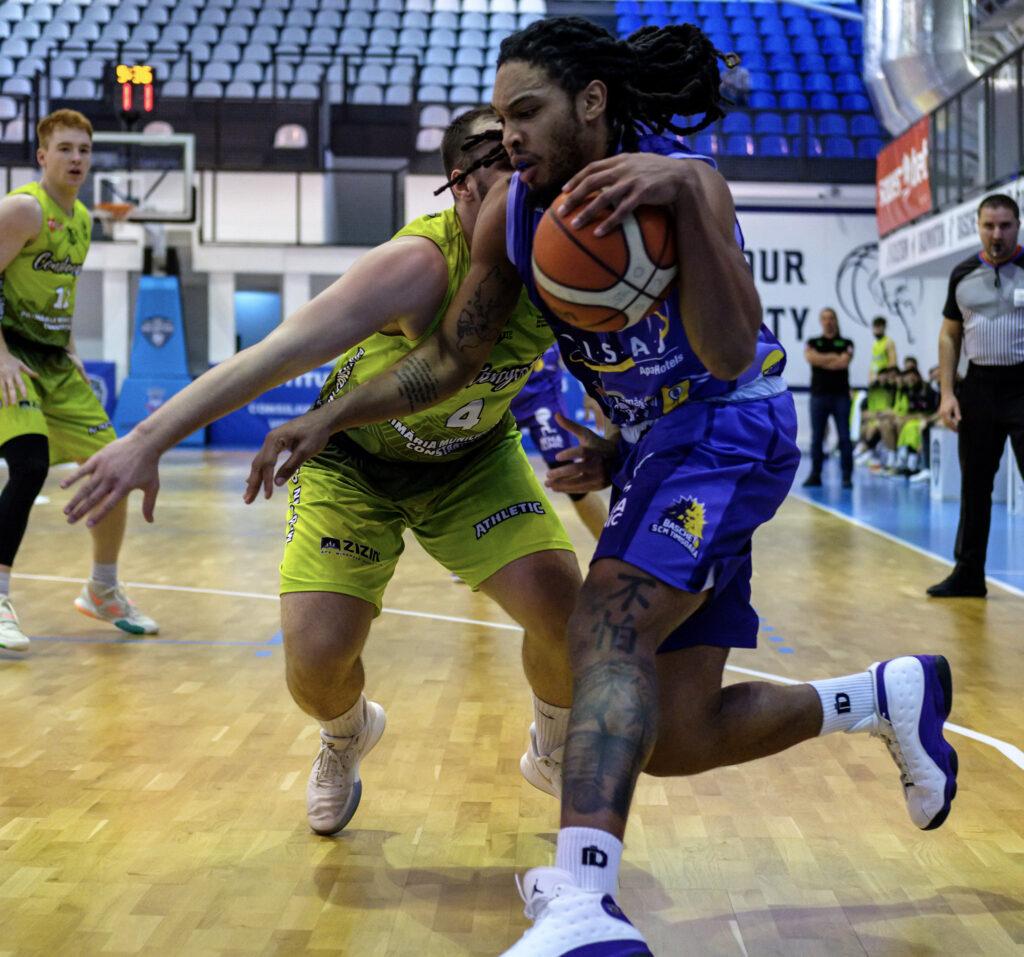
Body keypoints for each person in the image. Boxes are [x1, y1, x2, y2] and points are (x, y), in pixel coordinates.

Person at [234, 19, 959, 954]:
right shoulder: (517, 210)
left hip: (730, 429)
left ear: (591, 101)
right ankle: (882, 697)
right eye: (499, 119)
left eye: (526, 112)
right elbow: (452, 357)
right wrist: (331, 416)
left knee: (603, 623)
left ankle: (583, 901)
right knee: (675, 735)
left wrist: (690, 198)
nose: (509, 135)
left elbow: (726, 356)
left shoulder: (683, 184)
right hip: (659, 446)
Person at [61, 108, 581, 834]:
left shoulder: (558, 253)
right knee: (315, 662)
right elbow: (278, 352)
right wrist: (146, 438)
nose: (526, 183)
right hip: (352, 464)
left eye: (532, 165)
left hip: (471, 462)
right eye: (505, 168)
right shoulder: (419, 264)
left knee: (568, 614)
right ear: (461, 185)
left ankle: (552, 746)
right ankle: (345, 733)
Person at [0, 109, 158, 652]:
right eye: (65, 149)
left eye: (84, 150)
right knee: (28, 465)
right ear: (42, 156)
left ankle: (103, 591)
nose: (76, 159)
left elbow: (57, 296)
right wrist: (1, 357)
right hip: (9, 356)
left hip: (54, 361)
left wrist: (72, 353)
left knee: (114, 470)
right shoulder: (23, 210)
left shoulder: (84, 219)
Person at [928, 193, 1024, 599]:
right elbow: (950, 336)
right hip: (979, 387)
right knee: (975, 486)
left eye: (1004, 225)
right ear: (978, 227)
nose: (996, 233)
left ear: (1017, 226)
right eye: (989, 225)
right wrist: (948, 394)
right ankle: (968, 574)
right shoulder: (963, 273)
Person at [511, 344, 607, 538]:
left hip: (541, 392)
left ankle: (613, 547)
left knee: (572, 478)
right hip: (495, 393)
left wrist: (591, 390)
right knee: (483, 478)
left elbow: (576, 334)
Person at [802, 306, 854, 488]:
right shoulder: (813, 342)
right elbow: (811, 358)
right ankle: (815, 474)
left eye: (831, 317)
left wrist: (822, 359)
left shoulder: (846, 342)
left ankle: (847, 476)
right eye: (824, 318)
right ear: (820, 321)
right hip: (818, 396)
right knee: (817, 438)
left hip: (841, 396)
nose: (828, 321)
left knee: (844, 437)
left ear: (835, 320)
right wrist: (833, 358)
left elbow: (843, 363)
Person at [868, 315, 898, 383]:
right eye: (875, 327)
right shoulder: (875, 343)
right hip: (874, 380)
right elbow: (874, 363)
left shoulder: (888, 342)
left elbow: (892, 363)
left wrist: (887, 378)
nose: (876, 329)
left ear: (884, 328)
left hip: (884, 380)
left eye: (879, 327)